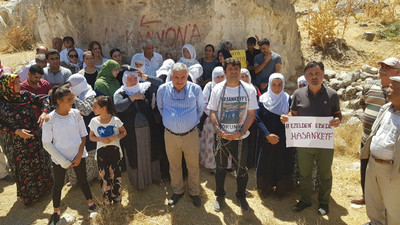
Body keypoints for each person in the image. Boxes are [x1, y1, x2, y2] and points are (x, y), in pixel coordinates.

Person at [280, 61, 342, 215]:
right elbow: (292, 114)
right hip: (304, 142)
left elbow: (337, 114)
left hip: (324, 142)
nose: (314, 77)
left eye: (317, 74)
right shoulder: (298, 94)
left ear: (323, 74)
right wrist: (286, 118)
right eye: (310, 74)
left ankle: (324, 202)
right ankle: (305, 200)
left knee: (325, 174)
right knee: (305, 173)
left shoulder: (332, 94)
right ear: (305, 76)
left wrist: (338, 121)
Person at [208, 58, 258, 212]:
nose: (234, 72)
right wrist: (218, 129)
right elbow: (213, 111)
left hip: (241, 138)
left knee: (241, 170)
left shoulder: (249, 89)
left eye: (237, 69)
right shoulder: (217, 89)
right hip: (221, 137)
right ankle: (220, 195)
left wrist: (241, 131)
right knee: (221, 168)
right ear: (225, 72)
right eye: (230, 69)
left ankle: (241, 196)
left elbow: (251, 113)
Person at [42, 87, 95, 225]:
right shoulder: (49, 119)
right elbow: (46, 143)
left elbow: (83, 135)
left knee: (83, 180)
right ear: (59, 101)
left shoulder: (76, 114)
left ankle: (91, 204)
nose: (72, 102)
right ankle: (56, 212)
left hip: (78, 156)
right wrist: (63, 161)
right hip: (59, 160)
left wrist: (78, 156)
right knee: (58, 185)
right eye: (69, 100)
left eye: (72, 98)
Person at [351, 57, 400, 205]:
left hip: (389, 145)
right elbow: (364, 105)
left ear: (397, 71)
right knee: (366, 167)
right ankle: (366, 196)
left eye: (387, 67)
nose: (382, 70)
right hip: (367, 138)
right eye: (381, 67)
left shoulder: (397, 91)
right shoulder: (370, 86)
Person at [0, 74, 53, 205]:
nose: (20, 85)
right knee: (24, 168)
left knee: (40, 163)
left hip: (34, 136)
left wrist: (45, 112)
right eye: (16, 83)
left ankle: (44, 190)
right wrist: (16, 132)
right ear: (7, 87)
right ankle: (30, 196)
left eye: (18, 82)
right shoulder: (1, 102)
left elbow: (45, 101)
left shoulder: (25, 95)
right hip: (17, 142)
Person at [157, 63, 204, 207]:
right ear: (171, 76)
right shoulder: (162, 90)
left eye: (183, 77)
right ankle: (178, 191)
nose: (179, 80)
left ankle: (195, 192)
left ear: (187, 76)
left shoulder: (195, 89)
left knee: (193, 165)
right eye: (176, 77)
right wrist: (171, 122)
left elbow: (200, 109)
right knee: (174, 165)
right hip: (170, 136)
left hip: (190, 135)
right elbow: (161, 108)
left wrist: (188, 123)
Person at [114, 69, 163, 190]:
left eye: (135, 78)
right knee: (135, 155)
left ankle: (154, 178)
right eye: (129, 79)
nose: (133, 81)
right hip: (132, 133)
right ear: (124, 80)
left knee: (151, 151)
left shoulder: (144, 88)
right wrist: (132, 98)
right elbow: (118, 107)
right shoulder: (120, 93)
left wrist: (145, 77)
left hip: (149, 130)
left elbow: (161, 84)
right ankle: (139, 182)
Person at [360, 76, 400, 225]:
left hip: (392, 170)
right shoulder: (385, 109)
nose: (387, 90)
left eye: (392, 88)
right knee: (374, 203)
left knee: (394, 209)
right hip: (373, 164)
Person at [256, 73, 293, 198]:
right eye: (274, 85)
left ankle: (281, 190)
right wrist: (267, 135)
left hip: (283, 140)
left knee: (281, 164)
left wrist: (289, 117)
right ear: (269, 85)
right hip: (266, 139)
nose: (277, 88)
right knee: (266, 163)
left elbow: (293, 115)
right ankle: (265, 189)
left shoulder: (288, 99)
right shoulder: (262, 100)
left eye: (279, 85)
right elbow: (258, 119)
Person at [89, 96, 127, 203]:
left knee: (115, 175)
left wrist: (114, 137)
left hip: (114, 151)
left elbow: (124, 132)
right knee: (103, 176)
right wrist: (101, 139)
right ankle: (107, 200)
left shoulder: (115, 120)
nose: (93, 109)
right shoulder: (94, 121)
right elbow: (91, 137)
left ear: (104, 108)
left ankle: (117, 198)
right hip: (102, 152)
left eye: (95, 106)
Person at [65, 74, 99, 186]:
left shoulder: (90, 95)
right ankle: (76, 179)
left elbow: (86, 110)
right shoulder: (70, 94)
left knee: (89, 153)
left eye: (71, 85)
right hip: (73, 131)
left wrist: (75, 99)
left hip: (87, 130)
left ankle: (91, 177)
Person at [200, 66, 225, 171]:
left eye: (222, 76)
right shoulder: (209, 86)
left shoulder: (228, 86)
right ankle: (211, 165)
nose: (219, 79)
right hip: (210, 121)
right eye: (217, 77)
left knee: (224, 143)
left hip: (225, 120)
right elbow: (203, 103)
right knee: (210, 143)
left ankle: (225, 165)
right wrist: (213, 115)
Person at [240, 68, 261, 169]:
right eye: (242, 76)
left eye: (246, 76)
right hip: (240, 121)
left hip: (253, 121)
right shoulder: (237, 89)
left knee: (251, 143)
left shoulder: (255, 89)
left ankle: (250, 164)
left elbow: (260, 103)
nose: (244, 78)